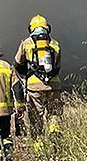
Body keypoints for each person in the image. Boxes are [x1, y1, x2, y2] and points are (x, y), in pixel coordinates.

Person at [14, 15, 62, 152]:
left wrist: (27, 75)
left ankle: (39, 148)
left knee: (36, 116)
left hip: (34, 86)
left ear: (31, 28)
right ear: (48, 28)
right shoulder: (55, 44)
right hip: (54, 85)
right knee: (54, 113)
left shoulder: (27, 43)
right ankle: (54, 135)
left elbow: (17, 63)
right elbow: (57, 66)